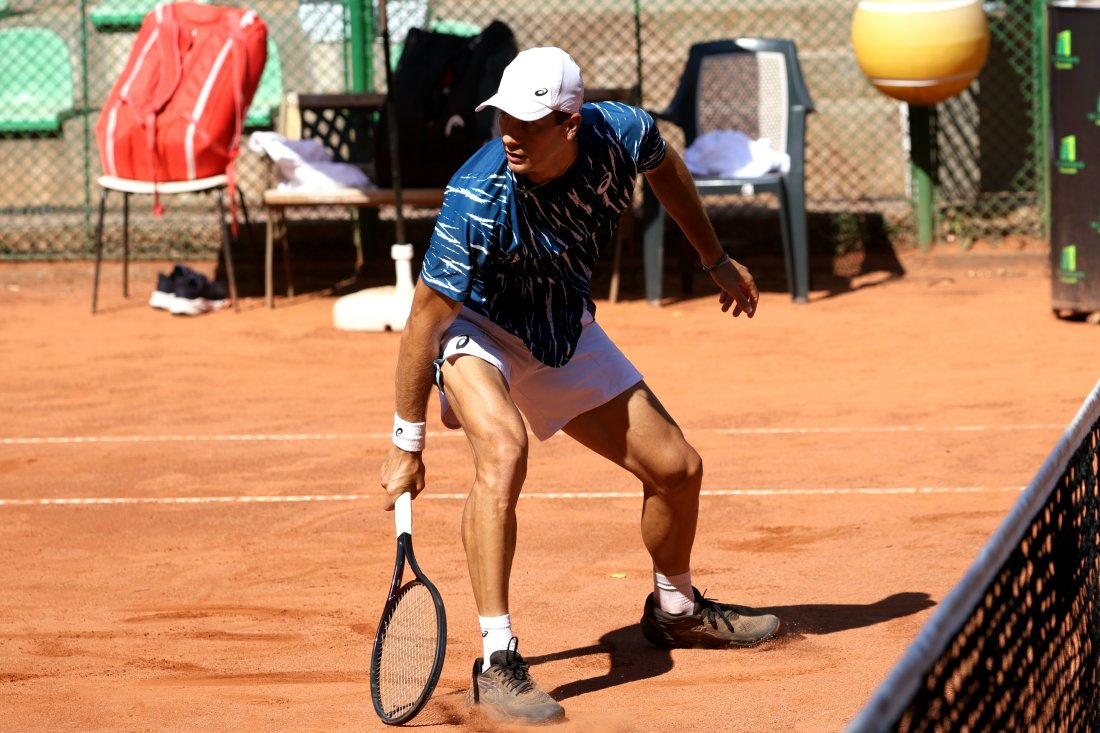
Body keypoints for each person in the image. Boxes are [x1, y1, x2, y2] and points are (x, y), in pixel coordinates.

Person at [379, 46, 780, 725]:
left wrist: (713, 257)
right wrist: (406, 441)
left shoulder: (621, 132)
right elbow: (425, 317)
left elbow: (670, 172)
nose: (509, 132)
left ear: (570, 121)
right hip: (476, 326)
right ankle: (497, 659)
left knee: (677, 468)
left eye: (528, 121)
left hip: (560, 326)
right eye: (502, 116)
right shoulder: (477, 194)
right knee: (503, 452)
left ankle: (676, 609)